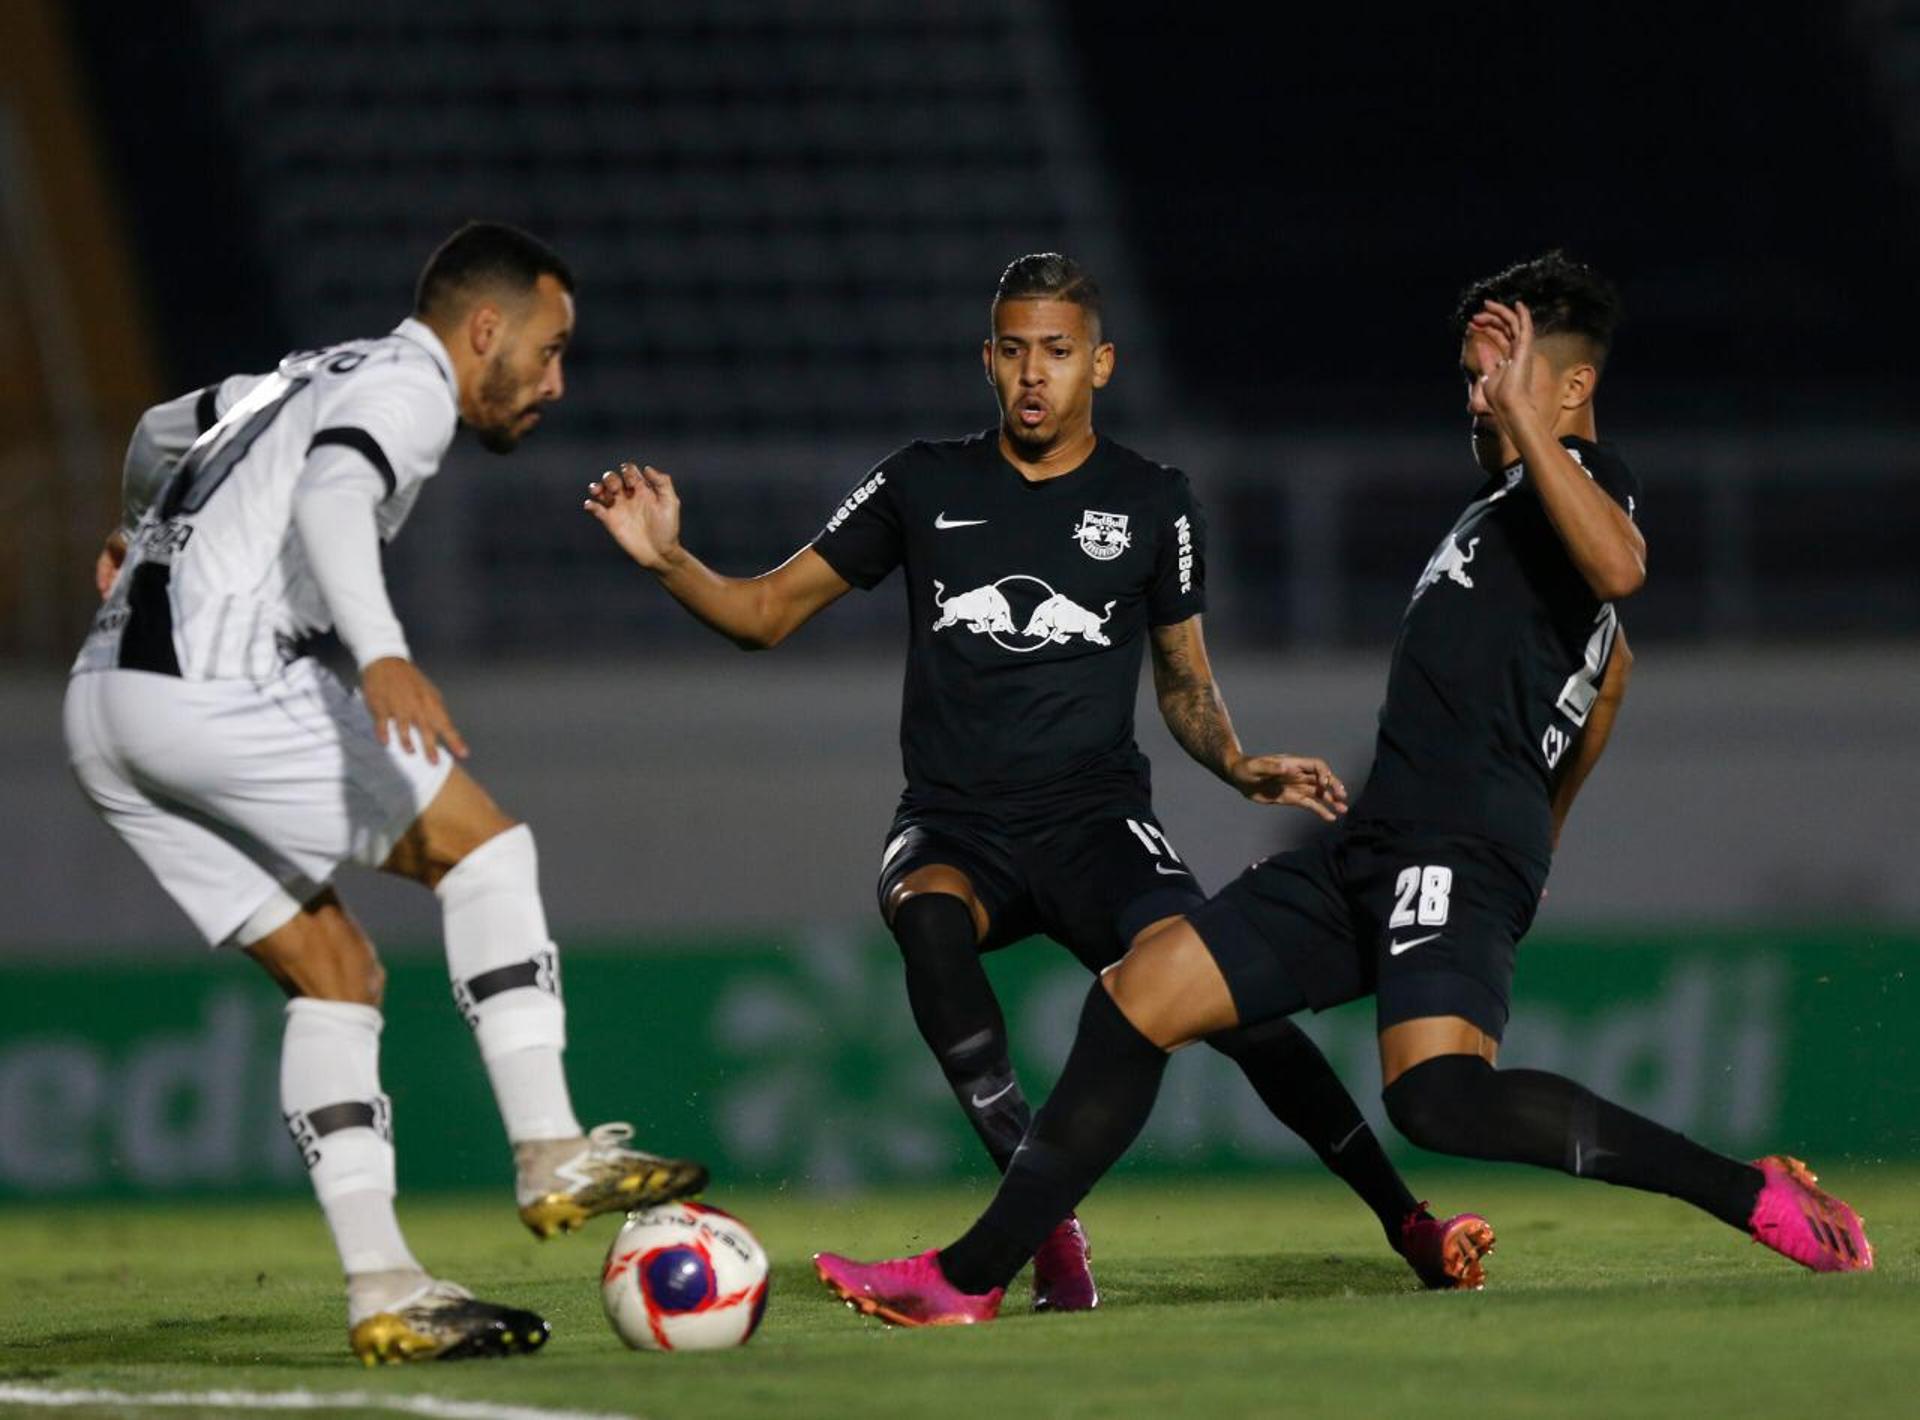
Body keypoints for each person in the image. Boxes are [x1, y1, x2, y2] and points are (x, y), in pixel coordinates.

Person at [812, 250, 1874, 1327]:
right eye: (1469, 379)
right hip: (1373, 847)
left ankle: (1750, 1192)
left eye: (1498, 378)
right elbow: (1613, 678)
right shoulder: (1500, 513)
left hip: (1450, 851)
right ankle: (971, 1275)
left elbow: (1625, 573)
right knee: (1140, 993)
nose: (1476, 400)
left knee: (1439, 1098)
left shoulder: (1584, 485)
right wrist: (1540, 834)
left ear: (1570, 387)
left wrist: (1510, 853)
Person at [587, 253, 1489, 1308]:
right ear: (987, 359)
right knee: (925, 917)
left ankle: (1408, 1221)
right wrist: (668, 562)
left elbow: (1186, 685)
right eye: (1013, 350)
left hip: (1097, 824)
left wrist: (1239, 762)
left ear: (1097, 363)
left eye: (1056, 352)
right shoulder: (922, 480)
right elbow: (764, 614)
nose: (1032, 373)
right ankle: (1042, 1212)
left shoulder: (1154, 501)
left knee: (1233, 1006)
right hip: (954, 823)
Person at [66, 221, 707, 1364]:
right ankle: (551, 1145)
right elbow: (329, 495)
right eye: (550, 350)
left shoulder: (300, 372)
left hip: (106, 704)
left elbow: (160, 430)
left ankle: (384, 1284)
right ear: (485, 328)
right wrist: (382, 652)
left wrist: (132, 528)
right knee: (488, 852)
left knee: (336, 971)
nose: (556, 381)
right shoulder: (408, 385)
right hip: (216, 686)